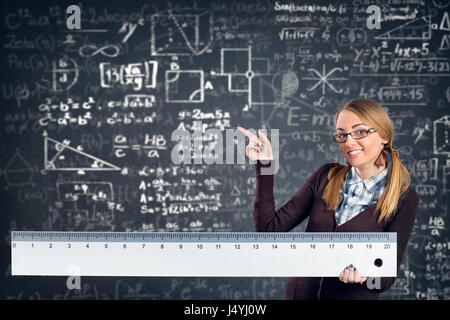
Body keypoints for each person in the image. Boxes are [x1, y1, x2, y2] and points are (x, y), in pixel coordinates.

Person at [236, 98, 419, 300]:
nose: (349, 142)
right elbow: (268, 231)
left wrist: (364, 276)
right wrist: (265, 166)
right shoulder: (326, 176)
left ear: (384, 135)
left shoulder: (403, 198)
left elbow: (385, 277)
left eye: (360, 132)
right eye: (342, 135)